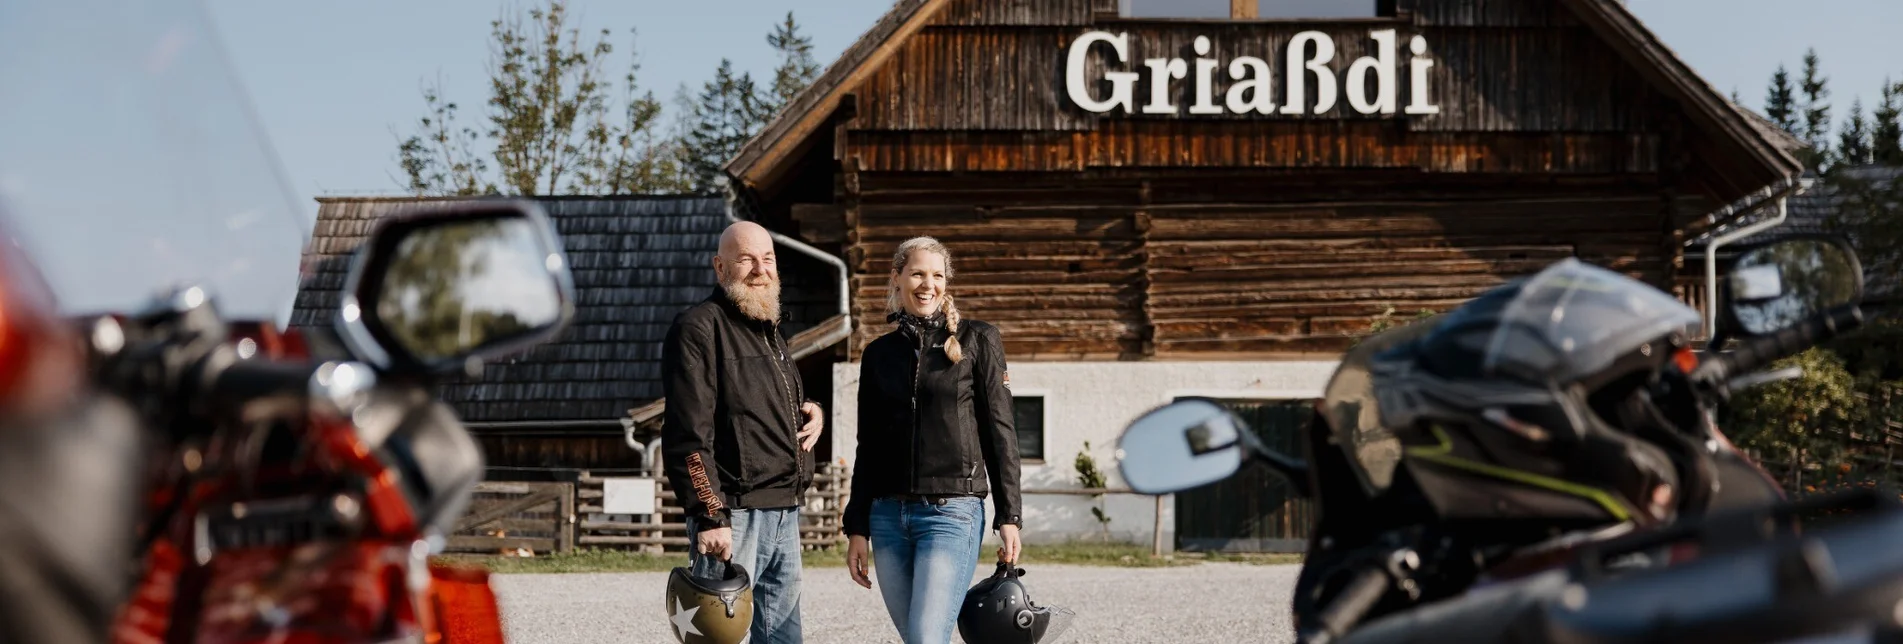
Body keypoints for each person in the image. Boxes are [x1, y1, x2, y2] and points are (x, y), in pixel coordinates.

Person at [844, 236, 1024, 644]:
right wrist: (857, 526)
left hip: (951, 514)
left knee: (926, 637)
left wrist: (1009, 515)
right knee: (919, 639)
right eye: (918, 273)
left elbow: (1001, 432)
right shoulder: (878, 354)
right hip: (887, 517)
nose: (928, 284)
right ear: (897, 277)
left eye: (938, 275)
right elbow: (867, 446)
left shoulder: (978, 340)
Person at [661, 221, 825, 644]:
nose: (759, 269)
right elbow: (687, 433)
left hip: (784, 511)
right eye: (746, 258)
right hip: (733, 517)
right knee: (721, 639)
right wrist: (709, 513)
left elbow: (768, 411)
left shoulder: (771, 332)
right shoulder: (698, 328)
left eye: (767, 258)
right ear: (720, 267)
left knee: (785, 638)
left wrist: (814, 412)